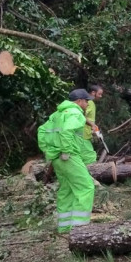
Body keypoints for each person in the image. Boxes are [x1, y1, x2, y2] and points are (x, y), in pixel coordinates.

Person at [38, 89, 98, 233]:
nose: (88, 103)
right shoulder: (75, 113)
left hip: (57, 158)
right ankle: (80, 229)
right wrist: (66, 151)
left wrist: (47, 151)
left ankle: (64, 227)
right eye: (86, 100)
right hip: (68, 156)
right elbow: (66, 132)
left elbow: (41, 130)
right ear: (79, 101)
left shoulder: (57, 114)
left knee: (67, 189)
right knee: (86, 187)